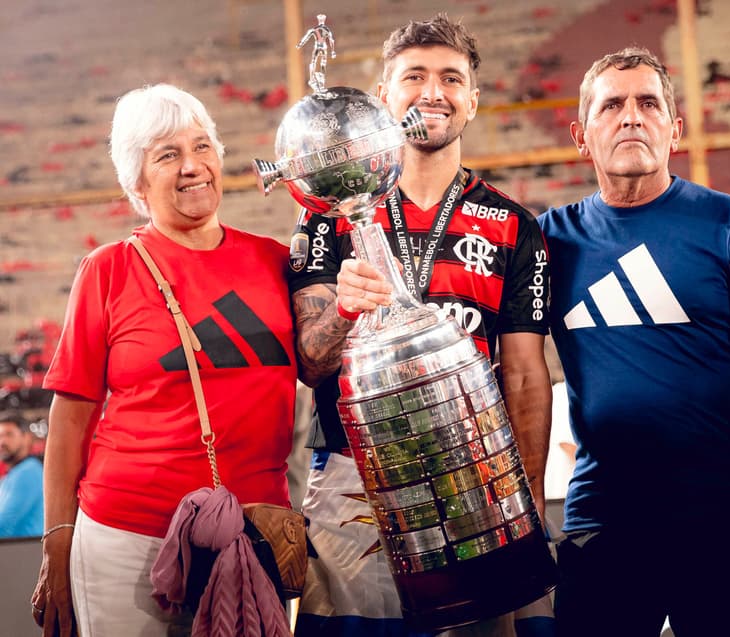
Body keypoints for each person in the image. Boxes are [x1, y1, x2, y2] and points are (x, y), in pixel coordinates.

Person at [537, 47, 730, 637]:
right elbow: (510, 367)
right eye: (612, 105)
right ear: (580, 134)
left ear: (674, 129)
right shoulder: (547, 239)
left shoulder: (727, 221)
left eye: (649, 103)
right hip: (606, 514)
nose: (631, 117)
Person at [287, 14, 552, 637]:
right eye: (414, 76)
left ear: (473, 100)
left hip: (479, 482)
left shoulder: (515, 227)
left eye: (451, 79)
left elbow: (523, 375)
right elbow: (309, 362)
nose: (433, 92)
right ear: (384, 96)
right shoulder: (329, 218)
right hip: (354, 483)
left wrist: (529, 498)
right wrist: (344, 311)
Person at [30, 84, 299, 637]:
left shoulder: (277, 262)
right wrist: (58, 541)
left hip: (251, 536)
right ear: (137, 182)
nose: (193, 167)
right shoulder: (109, 269)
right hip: (126, 540)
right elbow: (71, 417)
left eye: (202, 147)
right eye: (168, 155)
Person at [0, 411, 44, 537]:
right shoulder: (12, 475)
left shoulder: (29, 471)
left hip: (24, 552)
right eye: (0, 436)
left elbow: (5, 525)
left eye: (9, 435)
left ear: (27, 437)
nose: (2, 442)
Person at [297, 14, 336, 93]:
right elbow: (331, 40)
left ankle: (316, 81)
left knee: (317, 62)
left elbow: (331, 40)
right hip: (321, 47)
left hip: (319, 47)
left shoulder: (316, 30)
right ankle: (315, 80)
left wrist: (300, 44)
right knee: (317, 62)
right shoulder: (325, 30)